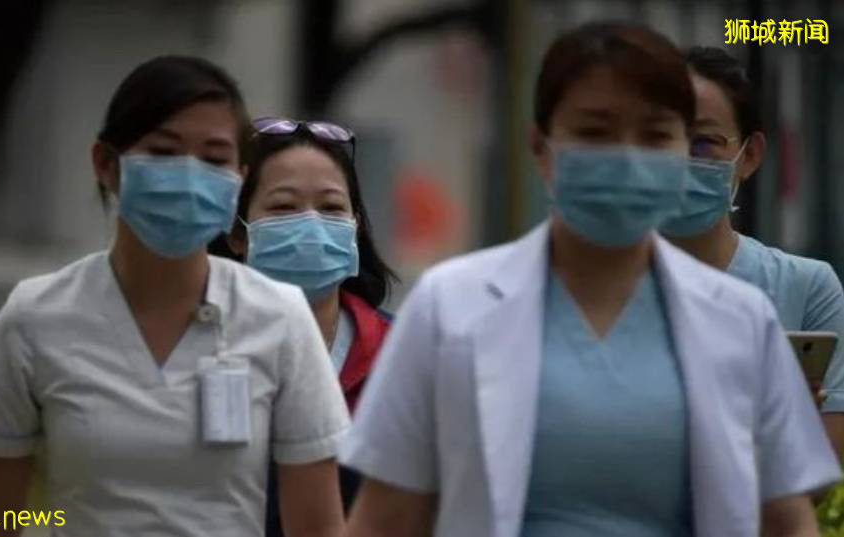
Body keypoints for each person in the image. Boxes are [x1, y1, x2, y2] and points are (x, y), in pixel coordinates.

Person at [340, 22, 840, 537]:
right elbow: (384, 521)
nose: (627, 157)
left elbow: (787, 522)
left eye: (655, 136)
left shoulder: (743, 320)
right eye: (595, 133)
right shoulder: (448, 307)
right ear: (541, 146)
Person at [0, 56, 350, 537]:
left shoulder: (280, 317)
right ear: (106, 164)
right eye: (164, 152)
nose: (189, 176)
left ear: (240, 177)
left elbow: (318, 527)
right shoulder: (36, 316)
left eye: (214, 159)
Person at [209, 117, 395, 535]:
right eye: (283, 207)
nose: (311, 226)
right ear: (237, 233)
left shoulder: (400, 353)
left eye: (331, 208)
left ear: (356, 226)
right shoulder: (195, 344)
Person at [658, 46, 844, 454]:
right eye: (661, 139)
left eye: (703, 142)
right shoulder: (603, 287)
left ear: (750, 155)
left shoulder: (806, 288)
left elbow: (824, 457)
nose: (680, 159)